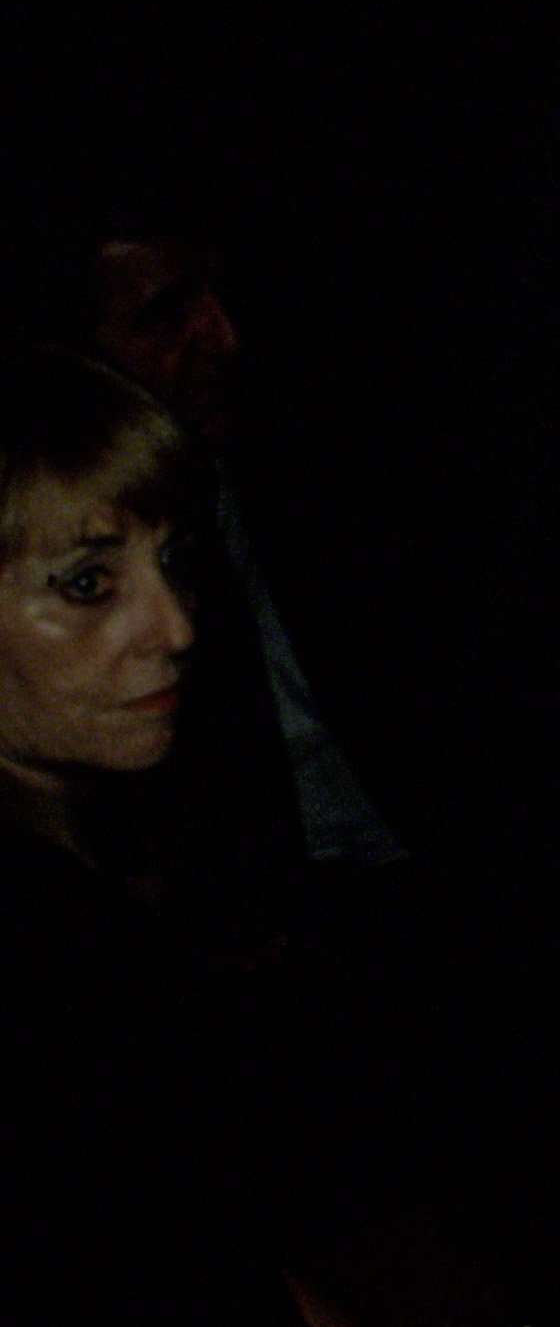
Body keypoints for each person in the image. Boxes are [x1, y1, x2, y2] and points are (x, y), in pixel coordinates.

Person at [0, 346, 303, 1321]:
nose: (173, 624)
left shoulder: (79, 876)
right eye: (88, 582)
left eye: (173, 558)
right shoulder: (41, 953)